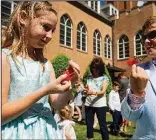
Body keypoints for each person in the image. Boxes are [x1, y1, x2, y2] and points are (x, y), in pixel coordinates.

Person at [2, 2, 80, 139]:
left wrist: (69, 84)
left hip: (47, 131)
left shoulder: (46, 64)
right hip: (18, 132)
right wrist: (45, 90)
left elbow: (57, 103)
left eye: (53, 30)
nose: (50, 36)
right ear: (23, 18)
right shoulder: (6, 58)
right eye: (45, 27)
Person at [84, 57, 109, 140]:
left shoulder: (104, 78)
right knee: (89, 124)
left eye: (96, 68)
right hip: (89, 104)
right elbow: (87, 88)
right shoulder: (89, 78)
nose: (94, 70)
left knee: (102, 125)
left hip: (100, 105)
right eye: (93, 68)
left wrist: (93, 92)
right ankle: (90, 138)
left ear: (100, 68)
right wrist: (85, 91)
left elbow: (103, 91)